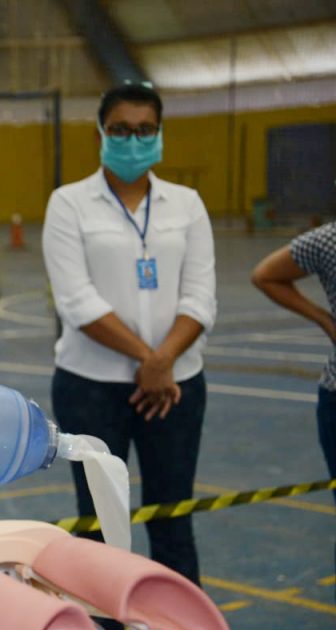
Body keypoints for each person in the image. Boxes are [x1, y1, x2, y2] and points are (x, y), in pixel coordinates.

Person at [40, 83, 217, 597]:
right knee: (97, 525)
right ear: (101, 132)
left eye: (144, 130)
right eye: (120, 130)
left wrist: (164, 363)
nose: (133, 140)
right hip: (90, 389)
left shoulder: (187, 205)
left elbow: (202, 296)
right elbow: (77, 300)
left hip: (176, 390)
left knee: (173, 519)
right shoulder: (69, 204)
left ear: (159, 134)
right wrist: (149, 359)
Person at [251, 223, 336, 502]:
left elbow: (265, 275)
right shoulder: (328, 239)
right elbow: (265, 276)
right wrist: (324, 319)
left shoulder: (327, 237)